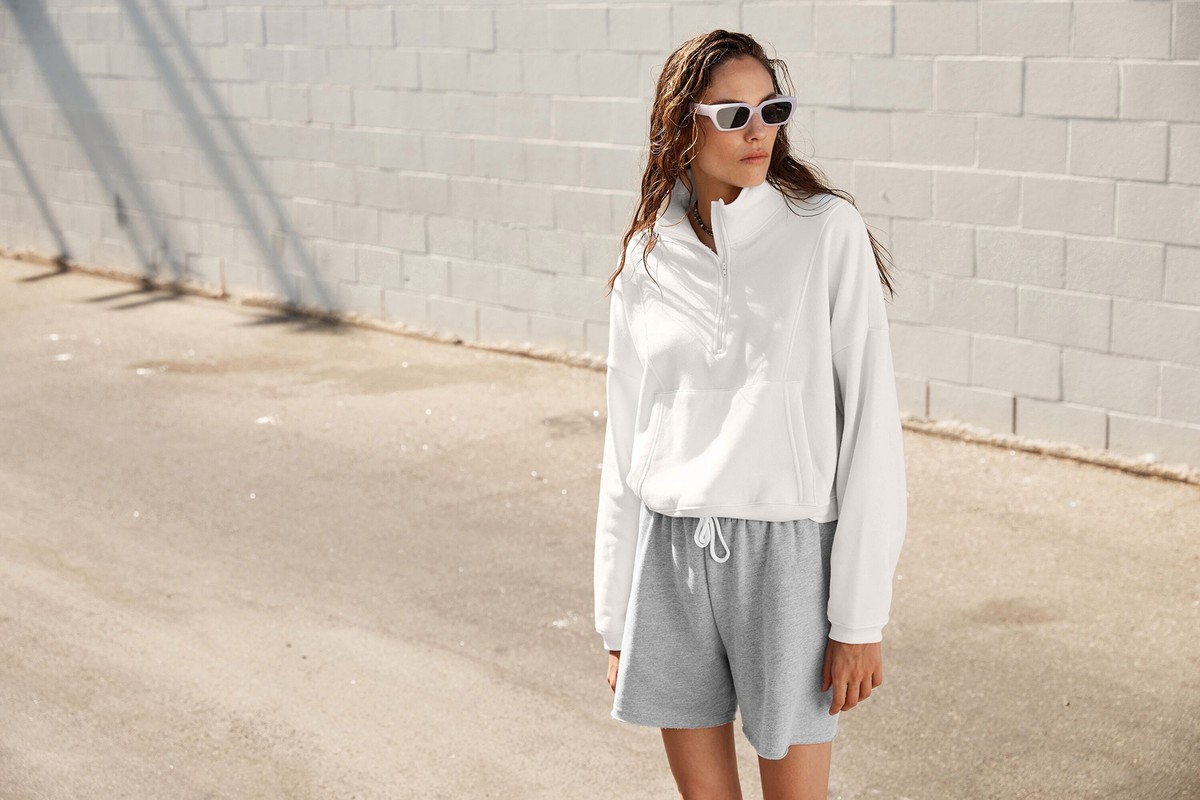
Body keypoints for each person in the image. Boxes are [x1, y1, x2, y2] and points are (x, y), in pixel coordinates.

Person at [593, 30, 908, 800]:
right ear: (683, 124)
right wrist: (616, 617)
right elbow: (627, 440)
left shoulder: (824, 232)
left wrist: (858, 618)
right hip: (671, 555)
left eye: (772, 109)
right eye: (733, 114)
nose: (758, 129)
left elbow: (872, 428)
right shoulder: (647, 257)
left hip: (787, 557)